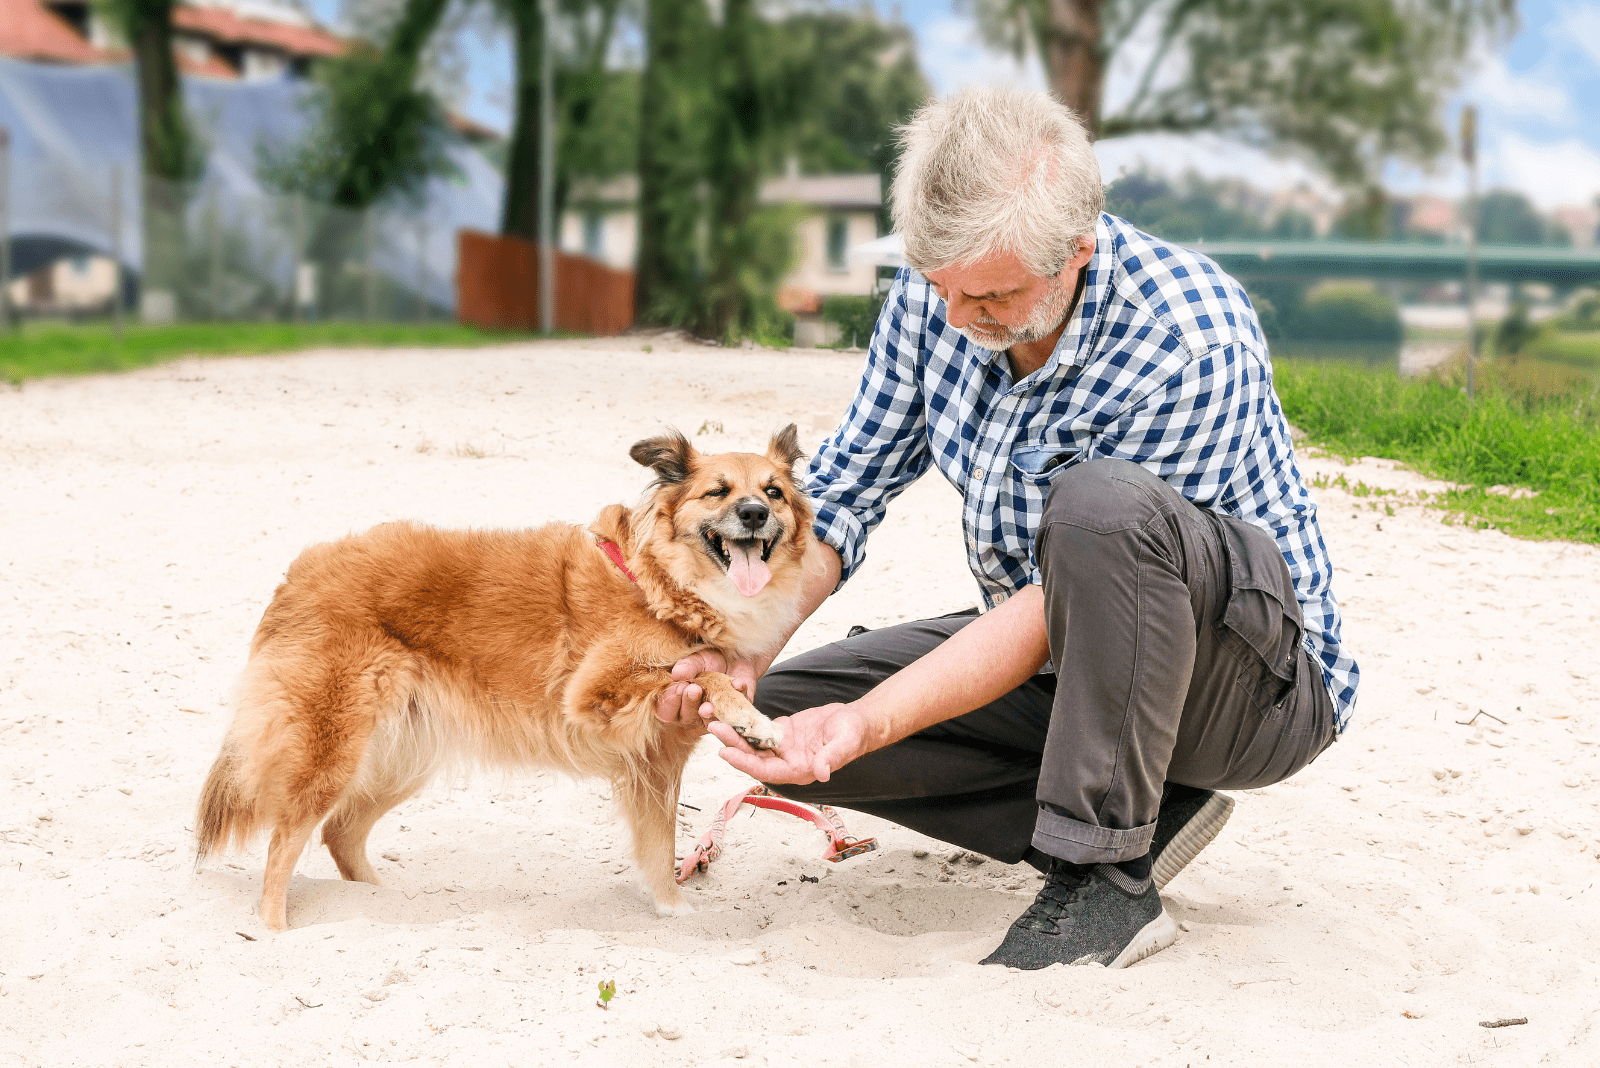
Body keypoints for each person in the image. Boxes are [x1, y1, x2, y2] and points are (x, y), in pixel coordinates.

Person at [656, 85, 1358, 970]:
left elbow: (1055, 600)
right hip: (1072, 658)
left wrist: (872, 721)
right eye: (940, 286)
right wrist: (747, 647)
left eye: (989, 295)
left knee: (1101, 507)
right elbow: (838, 494)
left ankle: (1103, 880)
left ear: (1077, 250)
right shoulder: (939, 296)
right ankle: (1147, 811)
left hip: (1249, 686)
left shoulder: (1187, 340)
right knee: (787, 717)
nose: (956, 316)